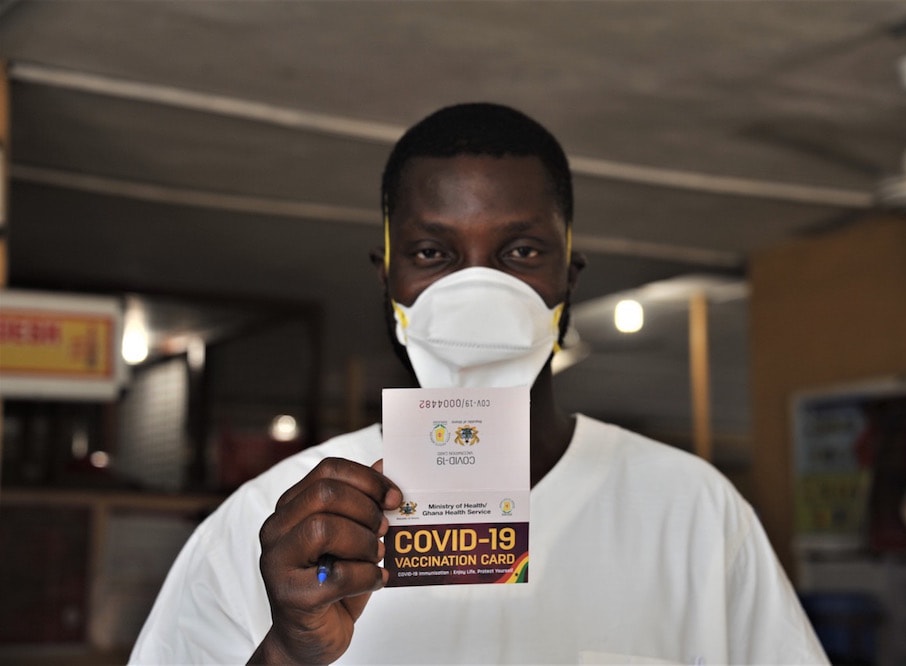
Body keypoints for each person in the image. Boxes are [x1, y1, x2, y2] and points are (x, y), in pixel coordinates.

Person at [130, 103, 828, 665]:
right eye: (434, 254)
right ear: (389, 281)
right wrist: (287, 650)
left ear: (568, 280)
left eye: (519, 252)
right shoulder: (273, 523)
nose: (475, 291)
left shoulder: (692, 513)